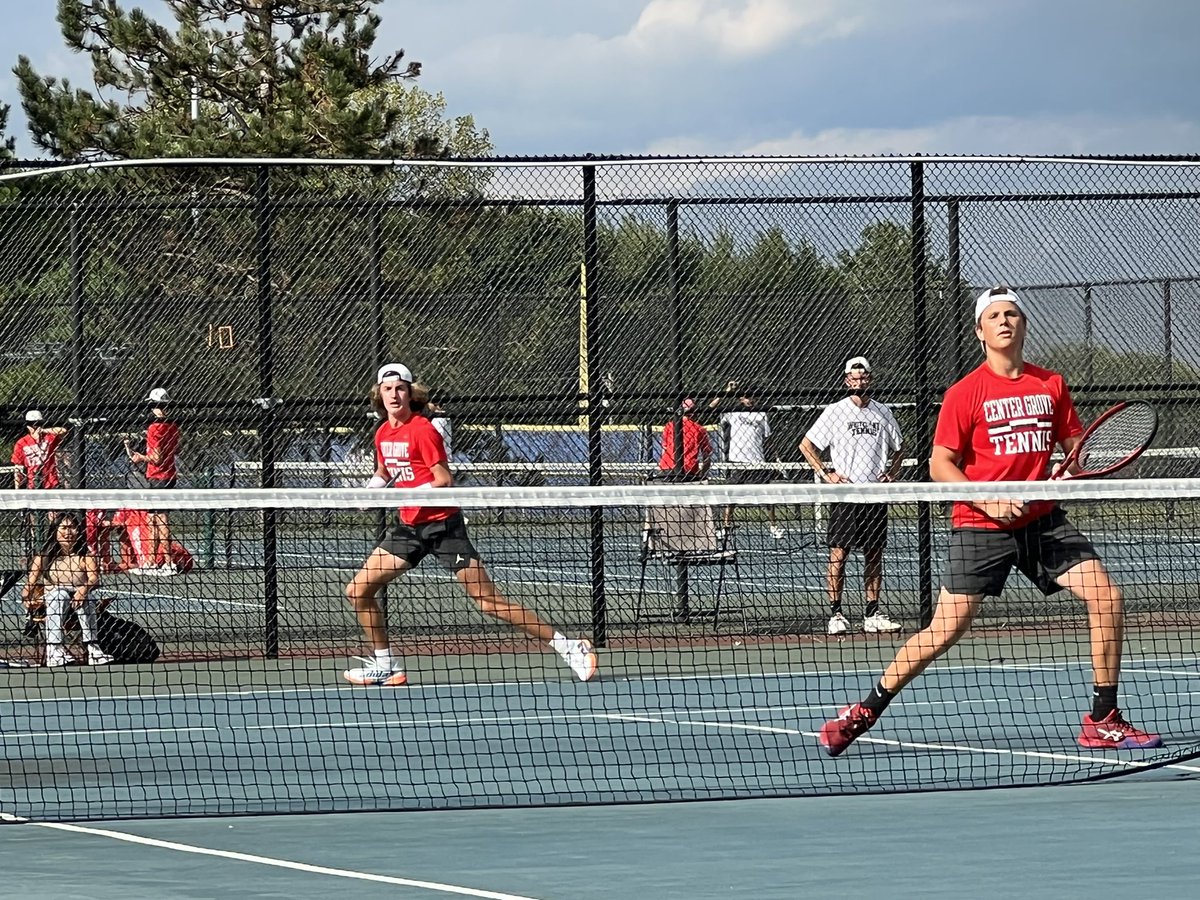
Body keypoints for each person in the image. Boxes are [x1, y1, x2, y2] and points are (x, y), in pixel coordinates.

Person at [818, 285, 1161, 756]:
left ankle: (1102, 719)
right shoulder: (964, 393)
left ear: (1023, 325)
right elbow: (941, 465)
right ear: (980, 331)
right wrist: (992, 503)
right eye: (994, 316)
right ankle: (866, 709)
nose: (1004, 321)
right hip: (980, 526)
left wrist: (1085, 468)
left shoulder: (1051, 385)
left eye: (1012, 314)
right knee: (945, 630)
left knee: (1107, 597)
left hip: (1043, 523)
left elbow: (1077, 457)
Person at [342, 362, 599, 686]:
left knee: (488, 602)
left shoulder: (422, 430)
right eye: (388, 389)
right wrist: (371, 492)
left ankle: (571, 647)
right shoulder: (382, 432)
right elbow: (384, 471)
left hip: (443, 527)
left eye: (400, 388)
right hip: (409, 529)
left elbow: (443, 480)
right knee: (358, 591)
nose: (394, 394)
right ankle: (386, 665)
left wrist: (402, 493)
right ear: (379, 393)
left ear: (410, 393)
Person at [800, 357, 905, 636]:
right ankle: (836, 614)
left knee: (874, 554)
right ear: (847, 381)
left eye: (863, 377)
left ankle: (872, 613)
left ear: (870, 379)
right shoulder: (835, 412)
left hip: (875, 496)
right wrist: (827, 473)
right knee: (839, 555)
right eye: (854, 378)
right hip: (846, 495)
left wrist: (891, 473)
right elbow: (807, 445)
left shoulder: (883, 412)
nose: (859, 381)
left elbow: (900, 448)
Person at [22, 512, 114, 667]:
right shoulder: (43, 557)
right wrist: (26, 599)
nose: (68, 532)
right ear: (55, 530)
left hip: (80, 604)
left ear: (78, 531)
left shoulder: (86, 556)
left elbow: (94, 579)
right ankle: (54, 650)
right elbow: (30, 583)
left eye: (72, 527)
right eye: (63, 527)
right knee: (60, 594)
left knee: (88, 597)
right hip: (52, 605)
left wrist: (83, 590)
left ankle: (93, 648)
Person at [709, 380, 783, 538]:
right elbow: (711, 408)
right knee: (731, 496)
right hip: (737, 461)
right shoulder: (733, 412)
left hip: (757, 462)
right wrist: (727, 390)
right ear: (740, 398)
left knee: (767, 497)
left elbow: (768, 439)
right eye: (746, 396)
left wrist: (776, 458)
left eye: (752, 396)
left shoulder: (761, 413)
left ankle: (773, 527)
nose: (750, 399)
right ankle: (726, 526)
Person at [125, 387, 181, 576]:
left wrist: (141, 458)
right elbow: (175, 450)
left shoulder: (154, 428)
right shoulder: (173, 426)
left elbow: (156, 457)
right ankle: (150, 562)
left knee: (161, 520)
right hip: (165, 475)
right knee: (151, 519)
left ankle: (168, 562)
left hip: (159, 477)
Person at [11, 409, 69, 563]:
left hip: (52, 484)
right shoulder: (21, 443)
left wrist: (43, 430)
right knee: (35, 523)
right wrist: (18, 491)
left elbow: (63, 431)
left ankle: (55, 553)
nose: (35, 427)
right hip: (33, 487)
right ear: (27, 426)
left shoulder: (49, 438)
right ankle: (37, 553)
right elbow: (18, 468)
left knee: (55, 520)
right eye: (32, 424)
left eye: (37, 424)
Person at [657, 398, 712, 482]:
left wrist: (661, 468)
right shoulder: (699, 429)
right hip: (689, 468)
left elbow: (664, 450)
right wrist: (703, 474)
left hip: (667, 466)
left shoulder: (670, 425)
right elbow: (706, 456)